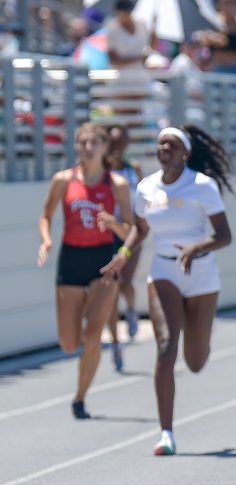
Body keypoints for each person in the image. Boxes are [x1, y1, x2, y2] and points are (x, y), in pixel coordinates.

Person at [102, 125, 233, 456]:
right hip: (163, 271)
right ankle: (166, 433)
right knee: (165, 346)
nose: (164, 149)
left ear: (185, 153)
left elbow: (224, 235)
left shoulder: (202, 186)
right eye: (161, 144)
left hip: (200, 274)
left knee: (196, 362)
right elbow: (140, 228)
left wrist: (195, 248)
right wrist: (124, 254)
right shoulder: (146, 187)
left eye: (172, 145)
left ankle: (203, 329)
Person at [37, 123, 133, 419]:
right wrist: (46, 239)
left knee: (93, 335)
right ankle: (87, 349)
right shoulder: (63, 180)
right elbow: (45, 215)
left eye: (94, 143)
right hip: (71, 259)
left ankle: (79, 398)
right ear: (76, 146)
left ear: (104, 148)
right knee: (69, 343)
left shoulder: (116, 184)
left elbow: (131, 231)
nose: (88, 148)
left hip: (103, 261)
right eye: (83, 143)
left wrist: (114, 225)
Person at [104, 123, 144, 371]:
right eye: (113, 141)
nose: (117, 146)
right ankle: (116, 343)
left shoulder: (133, 169)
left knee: (125, 282)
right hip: (107, 236)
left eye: (122, 141)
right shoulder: (102, 171)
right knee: (110, 289)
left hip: (129, 236)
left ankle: (130, 310)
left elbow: (144, 200)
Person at [105, 0, 150, 73]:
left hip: (140, 73)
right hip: (120, 74)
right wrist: (138, 59)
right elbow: (113, 60)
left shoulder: (141, 24)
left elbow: (151, 46)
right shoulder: (112, 29)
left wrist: (155, 26)